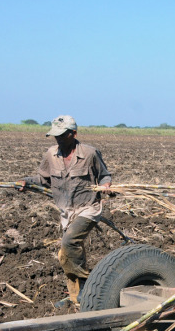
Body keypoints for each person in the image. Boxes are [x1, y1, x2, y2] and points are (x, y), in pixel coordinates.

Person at [18, 115, 112, 307]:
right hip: (65, 212)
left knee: (69, 243)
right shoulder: (51, 155)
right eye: (55, 136)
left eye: (62, 135)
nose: (58, 139)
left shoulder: (90, 153)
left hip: (88, 208)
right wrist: (26, 182)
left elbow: (104, 176)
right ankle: (75, 298)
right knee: (65, 255)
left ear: (73, 133)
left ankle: (88, 285)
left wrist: (106, 186)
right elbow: (42, 178)